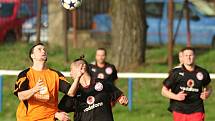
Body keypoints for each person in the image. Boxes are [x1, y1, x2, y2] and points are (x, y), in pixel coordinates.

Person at [13, 43, 84, 121]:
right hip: (28, 118)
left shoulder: (55, 74)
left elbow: (71, 93)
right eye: (39, 49)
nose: (43, 51)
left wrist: (77, 77)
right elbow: (21, 96)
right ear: (32, 55)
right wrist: (34, 89)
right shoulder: (25, 74)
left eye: (44, 50)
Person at [58, 57, 128, 121]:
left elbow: (118, 95)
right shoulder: (73, 92)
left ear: (83, 68)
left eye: (71, 70)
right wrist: (59, 115)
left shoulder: (102, 83)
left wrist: (122, 99)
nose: (70, 74)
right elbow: (59, 110)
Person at [161, 47, 212, 121]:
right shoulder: (176, 73)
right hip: (179, 109)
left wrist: (207, 93)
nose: (188, 58)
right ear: (183, 58)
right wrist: (176, 96)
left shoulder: (202, 72)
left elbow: (209, 87)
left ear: (195, 56)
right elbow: (163, 91)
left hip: (197, 109)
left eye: (191, 55)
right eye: (186, 55)